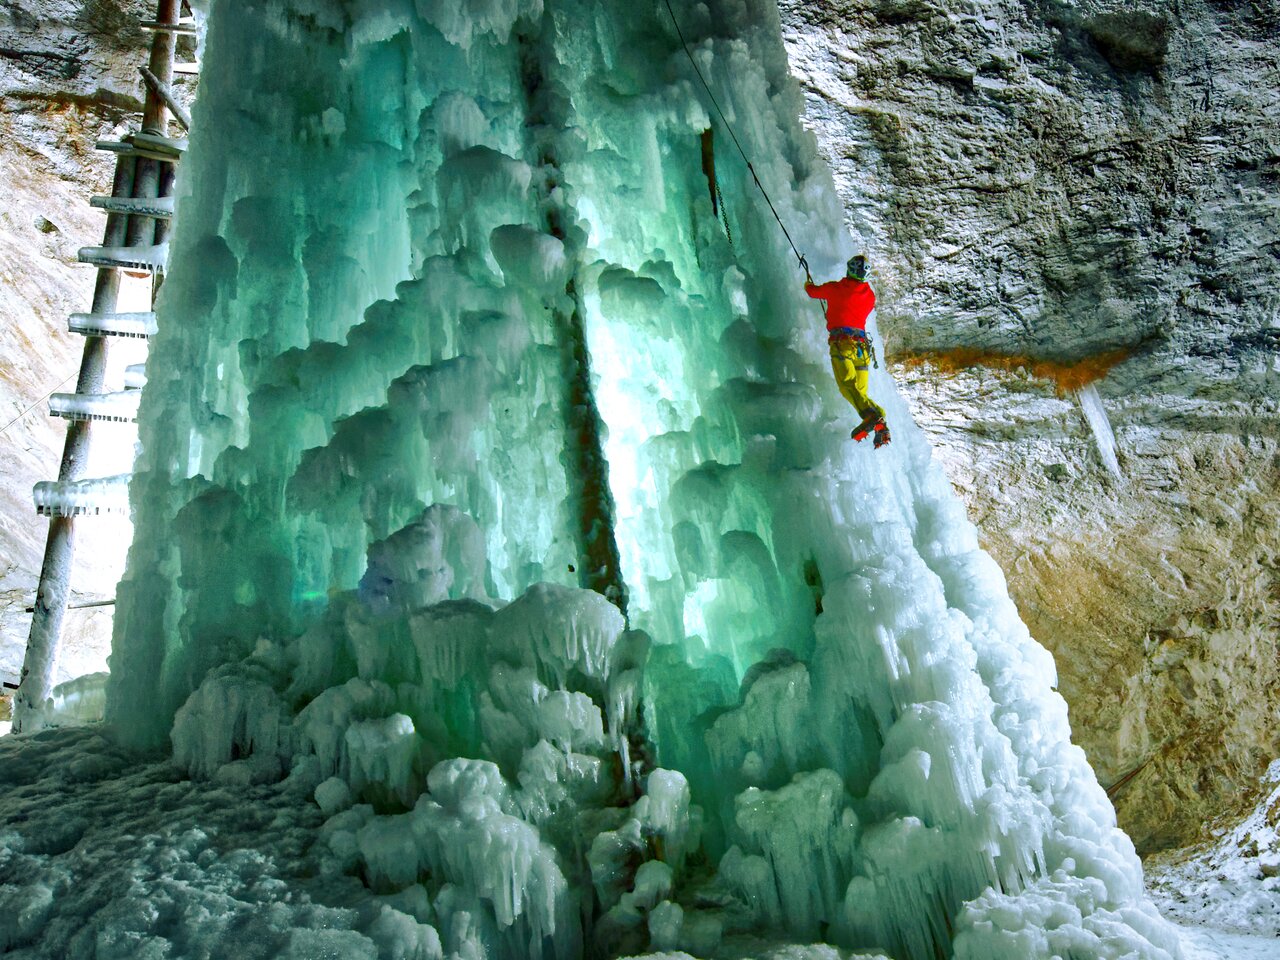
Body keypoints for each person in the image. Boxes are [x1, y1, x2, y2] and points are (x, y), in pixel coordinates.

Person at [803, 254, 890, 448]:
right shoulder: (870, 296)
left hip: (843, 345)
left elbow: (812, 292)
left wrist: (807, 282)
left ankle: (872, 417)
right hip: (862, 349)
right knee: (860, 392)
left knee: (847, 386)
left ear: (849, 269)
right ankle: (880, 420)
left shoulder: (837, 288)